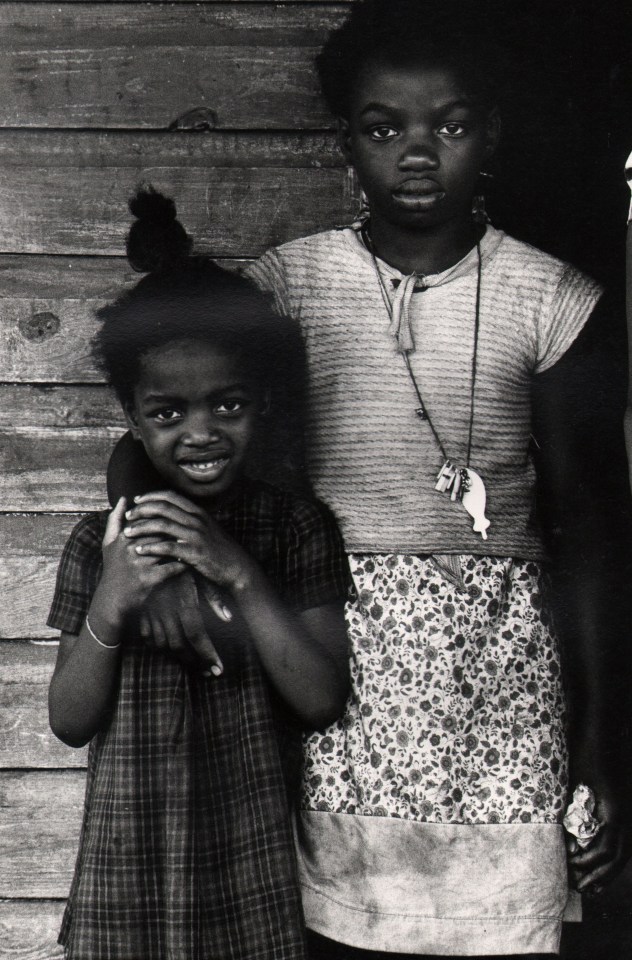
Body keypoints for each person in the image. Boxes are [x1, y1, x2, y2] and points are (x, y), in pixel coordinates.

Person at [107, 2, 632, 956]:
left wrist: (604, 735)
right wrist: (164, 553)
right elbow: (155, 427)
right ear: (346, 142)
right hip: (329, 636)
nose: (419, 152)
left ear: (494, 134)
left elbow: (593, 526)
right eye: (385, 128)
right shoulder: (286, 285)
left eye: (454, 124)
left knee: (500, 923)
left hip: (499, 670)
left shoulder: (550, 298)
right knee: (338, 920)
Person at [47, 188, 351, 960]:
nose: (202, 432)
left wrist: (238, 574)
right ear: (132, 412)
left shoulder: (294, 528)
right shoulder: (101, 540)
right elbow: (69, 719)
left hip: (245, 849)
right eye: (167, 412)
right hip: (128, 854)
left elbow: (319, 699)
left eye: (229, 404)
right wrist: (113, 602)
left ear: (265, 401)